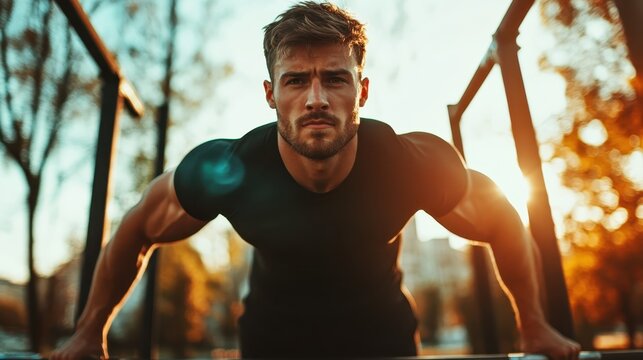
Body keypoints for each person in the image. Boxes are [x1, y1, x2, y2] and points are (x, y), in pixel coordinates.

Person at [51, 2, 582, 359]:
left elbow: (502, 217)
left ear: (363, 91)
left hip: (385, 345)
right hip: (269, 346)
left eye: (335, 78)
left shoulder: (409, 163)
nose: (316, 99)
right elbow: (140, 225)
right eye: (296, 80)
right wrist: (88, 329)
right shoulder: (229, 170)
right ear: (270, 95)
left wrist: (533, 322)